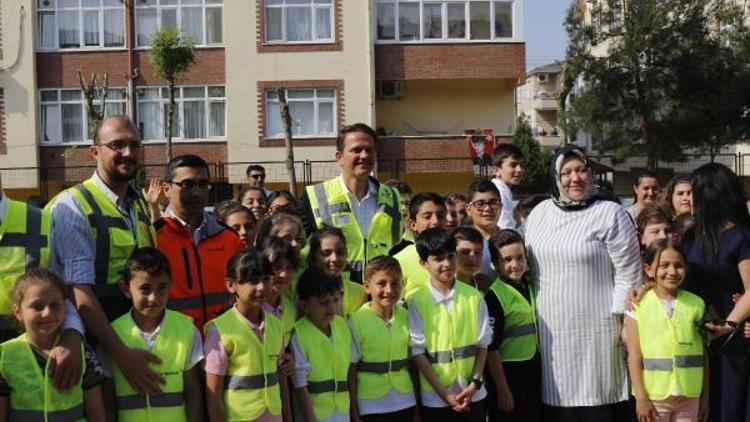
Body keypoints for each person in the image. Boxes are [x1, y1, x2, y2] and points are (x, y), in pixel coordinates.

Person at [524, 145, 641, 421]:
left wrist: (624, 324)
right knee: (559, 407)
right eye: (566, 172)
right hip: (551, 331)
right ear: (555, 177)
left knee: (597, 406)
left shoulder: (610, 213)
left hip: (600, 333)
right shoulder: (539, 213)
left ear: (591, 173)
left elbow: (630, 275)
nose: (575, 178)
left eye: (581, 170)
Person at [46, 115, 162, 395]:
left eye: (135, 145)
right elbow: (78, 291)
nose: (128, 153)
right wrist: (122, 355)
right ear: (95, 151)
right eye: (117, 145)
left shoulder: (138, 207)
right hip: (94, 350)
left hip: (133, 343)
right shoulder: (72, 206)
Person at [682, 163, 750, 422]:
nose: (689, 198)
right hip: (695, 337)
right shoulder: (692, 236)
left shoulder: (741, 236)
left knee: (727, 408)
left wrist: (729, 323)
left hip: (732, 342)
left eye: (694, 191)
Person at [108, 248, 204, 421]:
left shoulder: (187, 329)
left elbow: (193, 391)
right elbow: (107, 395)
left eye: (161, 288)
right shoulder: (113, 334)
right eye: (145, 289)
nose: (154, 298)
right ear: (126, 288)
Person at [300, 123, 402, 285]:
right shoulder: (314, 196)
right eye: (356, 150)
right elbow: (302, 252)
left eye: (369, 150)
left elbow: (398, 249)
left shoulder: (393, 197)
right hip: (333, 297)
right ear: (339, 157)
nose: (364, 155)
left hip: (379, 298)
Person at [0, 268, 106, 421]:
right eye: (38, 306)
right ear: (18, 312)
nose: (47, 313)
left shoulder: (83, 353)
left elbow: (97, 415)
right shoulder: (4, 356)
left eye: (55, 305)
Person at [408, 227, 491, 421]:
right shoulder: (417, 301)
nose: (447, 264)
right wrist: (445, 395)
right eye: (438, 259)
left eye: (450, 256)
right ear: (423, 263)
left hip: (473, 395)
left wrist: (474, 384)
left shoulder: (474, 297)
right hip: (436, 399)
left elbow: (483, 345)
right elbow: (417, 353)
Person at [156, 154, 244, 330]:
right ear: (166, 188)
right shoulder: (153, 237)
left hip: (226, 343)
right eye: (187, 184)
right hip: (176, 344)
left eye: (203, 184)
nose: (196, 192)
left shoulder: (229, 238)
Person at [625, 239, 708, 422]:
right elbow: (633, 356)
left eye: (678, 265)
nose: (672, 271)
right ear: (648, 270)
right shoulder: (637, 306)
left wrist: (704, 397)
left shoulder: (697, 305)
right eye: (664, 265)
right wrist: (641, 398)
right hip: (654, 398)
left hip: (689, 395)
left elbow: (703, 354)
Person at [204, 250, 290, 422]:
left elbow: (280, 379)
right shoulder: (219, 330)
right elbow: (213, 394)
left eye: (266, 279)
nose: (261, 287)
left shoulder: (276, 325)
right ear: (231, 285)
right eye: (253, 281)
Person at [348, 256, 417, 421]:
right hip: (371, 405)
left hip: (405, 401)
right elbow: (351, 371)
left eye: (395, 283)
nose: (389, 290)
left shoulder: (407, 317)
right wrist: (354, 411)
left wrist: (417, 405)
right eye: (381, 284)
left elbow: (413, 364)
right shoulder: (356, 322)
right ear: (367, 287)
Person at [484, 230, 541, 422]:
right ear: (495, 263)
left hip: (532, 372)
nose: (515, 265)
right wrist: (503, 390)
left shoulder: (530, 284)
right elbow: (491, 349)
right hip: (509, 376)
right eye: (507, 260)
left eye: (520, 258)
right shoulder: (494, 297)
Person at [291, 267, 354, 422]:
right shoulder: (298, 333)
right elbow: (299, 384)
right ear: (305, 306)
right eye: (324, 303)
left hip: (342, 413)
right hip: (314, 416)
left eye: (335, 300)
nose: (332, 307)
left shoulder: (343, 326)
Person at [393, 192, 447, 300]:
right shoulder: (399, 261)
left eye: (440, 216)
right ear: (413, 224)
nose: (435, 222)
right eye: (427, 217)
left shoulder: (459, 256)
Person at [308, 227, 365, 317]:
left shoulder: (359, 292)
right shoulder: (305, 292)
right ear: (312, 258)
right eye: (326, 253)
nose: (334, 259)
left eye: (340, 253)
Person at [467, 179, 502, 280]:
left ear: (501, 207)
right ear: (468, 210)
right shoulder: (459, 243)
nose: (487, 209)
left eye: (493, 202)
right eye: (480, 204)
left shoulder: (512, 239)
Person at [491, 144, 525, 230]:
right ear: (497, 170)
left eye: (522, 165)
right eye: (513, 165)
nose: (519, 169)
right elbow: (505, 229)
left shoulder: (503, 190)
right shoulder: (500, 192)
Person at [452, 226, 489, 291]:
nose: (472, 258)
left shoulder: (485, 286)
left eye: (477, 252)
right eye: (465, 252)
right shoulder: (438, 287)